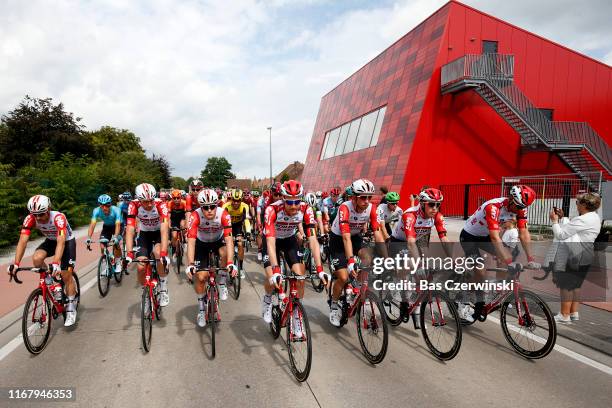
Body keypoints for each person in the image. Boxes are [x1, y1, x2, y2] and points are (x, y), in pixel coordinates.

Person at [459, 185, 541, 322]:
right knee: (480, 270)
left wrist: (530, 259)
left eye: (523, 207)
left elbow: (524, 233)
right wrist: (510, 262)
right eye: (518, 206)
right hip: (470, 236)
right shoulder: (493, 207)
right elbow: (495, 238)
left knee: (508, 255)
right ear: (510, 199)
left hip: (485, 236)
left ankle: (496, 292)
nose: (520, 210)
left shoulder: (521, 208)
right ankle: (464, 298)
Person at [261, 180, 327, 333]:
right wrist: (276, 270)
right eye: (289, 202)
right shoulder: (272, 210)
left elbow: (313, 241)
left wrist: (320, 269)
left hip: (290, 240)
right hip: (272, 240)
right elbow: (270, 243)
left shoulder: (307, 210)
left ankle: (296, 313)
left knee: (300, 278)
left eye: (297, 201)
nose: (293, 206)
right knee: (272, 279)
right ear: (282, 199)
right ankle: (267, 299)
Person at [8, 195, 79, 326]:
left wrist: (56, 263)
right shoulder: (30, 219)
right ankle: (54, 285)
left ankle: (71, 307)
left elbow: (61, 241)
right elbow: (22, 241)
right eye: (35, 215)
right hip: (50, 241)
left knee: (65, 275)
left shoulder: (58, 218)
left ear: (49, 209)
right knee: (37, 259)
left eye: (41, 214)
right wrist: (16, 264)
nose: (38, 218)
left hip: (67, 242)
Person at [328, 178, 386, 326]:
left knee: (368, 257)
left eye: (369, 197)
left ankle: (358, 287)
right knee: (343, 276)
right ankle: (334, 304)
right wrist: (351, 261)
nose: (366, 201)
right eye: (363, 197)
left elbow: (378, 233)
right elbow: (345, 237)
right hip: (338, 240)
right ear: (353, 197)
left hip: (355, 237)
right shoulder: (344, 208)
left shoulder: (371, 208)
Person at [185, 189, 236, 327]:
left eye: (212, 206)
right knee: (201, 277)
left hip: (218, 241)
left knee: (225, 253)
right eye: (205, 207)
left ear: (217, 205)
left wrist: (230, 263)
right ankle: (201, 309)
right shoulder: (195, 216)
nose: (209, 210)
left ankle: (222, 282)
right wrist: (190, 263)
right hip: (201, 244)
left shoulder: (223, 214)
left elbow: (229, 240)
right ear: (201, 207)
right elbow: (191, 242)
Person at [549, 193, 601, 323]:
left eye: (578, 202)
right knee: (576, 285)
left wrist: (554, 221)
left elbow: (561, 234)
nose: (576, 204)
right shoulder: (594, 217)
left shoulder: (582, 219)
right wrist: (564, 217)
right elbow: (575, 227)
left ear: (584, 205)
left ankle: (564, 315)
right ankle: (573, 313)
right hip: (587, 254)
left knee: (566, 285)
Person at [125, 183, 171, 306]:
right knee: (140, 267)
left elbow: (164, 229)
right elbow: (130, 229)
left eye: (151, 200)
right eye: (145, 202)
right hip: (144, 234)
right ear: (139, 200)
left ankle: (163, 288)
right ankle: (145, 293)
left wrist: (164, 252)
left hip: (158, 233)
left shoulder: (161, 204)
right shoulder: (133, 205)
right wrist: (129, 253)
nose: (150, 204)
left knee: (157, 254)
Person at [86, 194, 123, 274]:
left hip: (118, 226)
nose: (104, 208)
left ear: (110, 204)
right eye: (102, 206)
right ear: (99, 205)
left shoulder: (116, 210)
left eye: (107, 205)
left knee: (115, 243)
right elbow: (92, 224)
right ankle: (107, 264)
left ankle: (118, 262)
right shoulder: (96, 210)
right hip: (107, 226)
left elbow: (117, 225)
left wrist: (115, 237)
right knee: (102, 246)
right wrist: (88, 238)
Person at [223, 189, 251, 279]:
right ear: (231, 199)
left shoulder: (245, 206)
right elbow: (221, 222)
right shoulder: (226, 206)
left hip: (238, 226)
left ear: (241, 200)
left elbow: (246, 220)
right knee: (228, 245)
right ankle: (229, 265)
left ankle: (241, 268)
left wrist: (248, 232)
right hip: (228, 226)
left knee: (240, 244)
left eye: (238, 200)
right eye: (233, 200)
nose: (235, 203)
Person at [167, 189, 187, 256]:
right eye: (174, 198)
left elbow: (186, 214)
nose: (176, 200)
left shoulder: (184, 203)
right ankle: (174, 248)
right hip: (174, 220)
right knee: (174, 236)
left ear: (180, 197)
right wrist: (169, 225)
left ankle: (183, 238)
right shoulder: (170, 203)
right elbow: (169, 216)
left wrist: (186, 225)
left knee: (182, 225)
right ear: (172, 198)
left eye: (178, 198)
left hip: (182, 218)